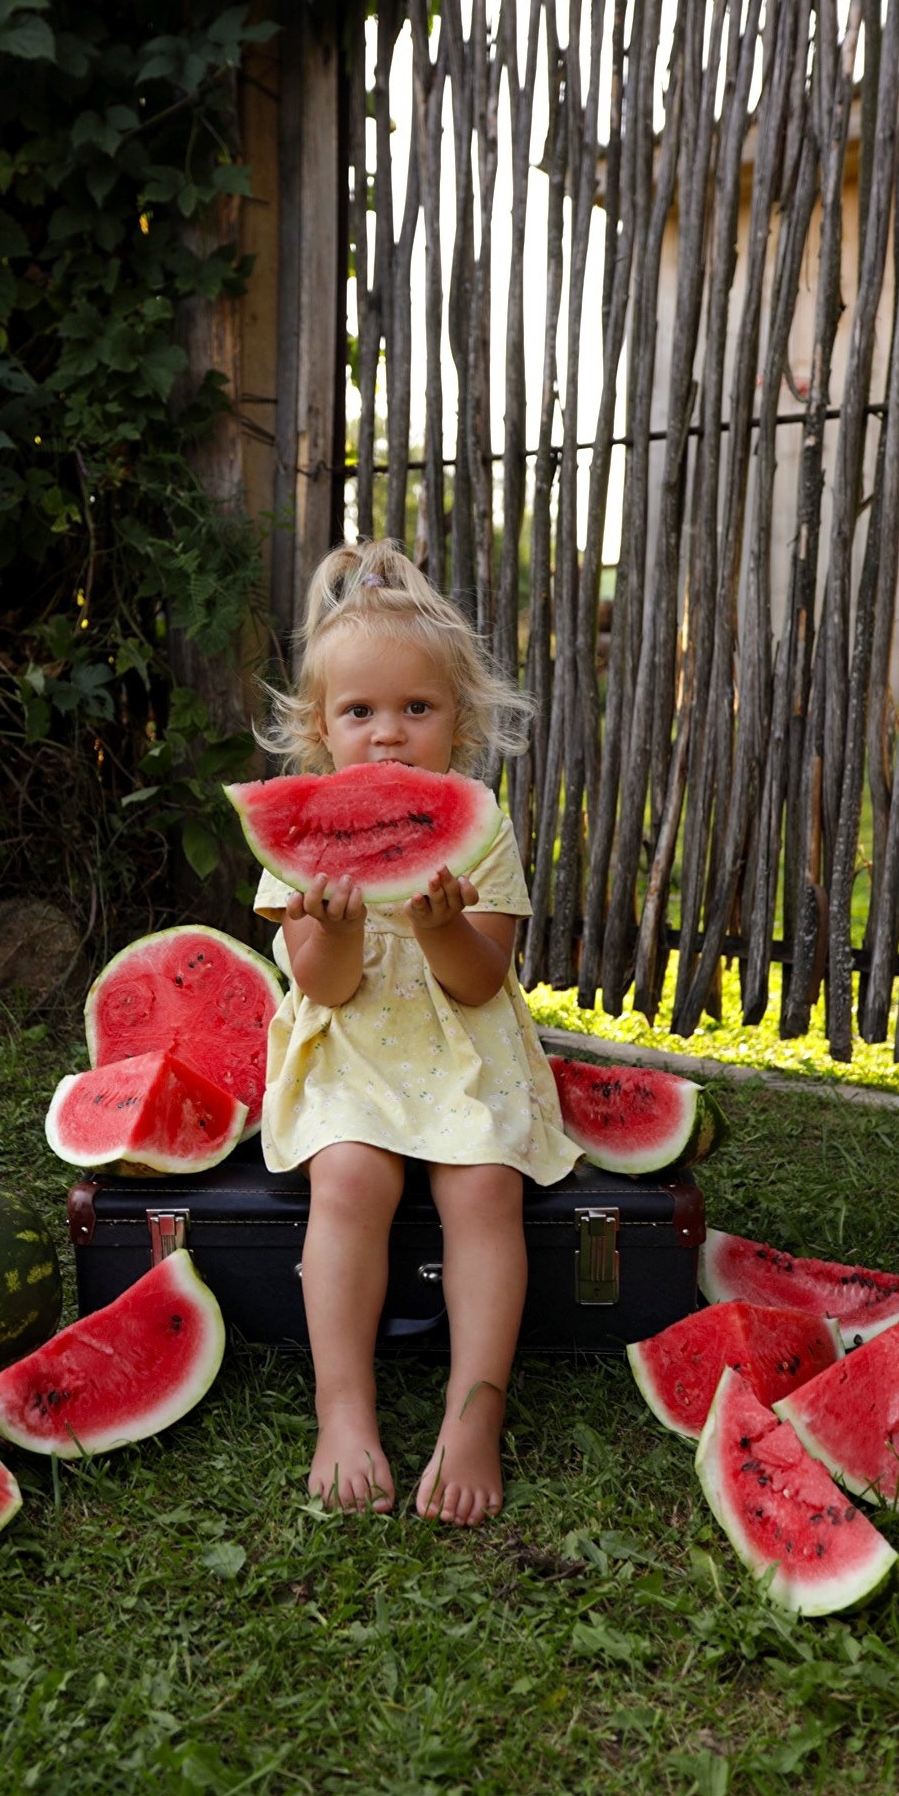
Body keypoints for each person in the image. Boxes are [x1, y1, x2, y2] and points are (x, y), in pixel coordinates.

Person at [249, 537, 580, 1527]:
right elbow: (322, 986)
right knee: (348, 1179)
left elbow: (484, 982)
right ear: (318, 727)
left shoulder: (478, 825)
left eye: (415, 709)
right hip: (350, 1045)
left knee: (484, 1188)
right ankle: (340, 1406)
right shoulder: (298, 826)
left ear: (460, 719)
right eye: (359, 713)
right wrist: (337, 935)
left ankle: (472, 1413)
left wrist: (439, 925)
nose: (387, 737)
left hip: (460, 1046)